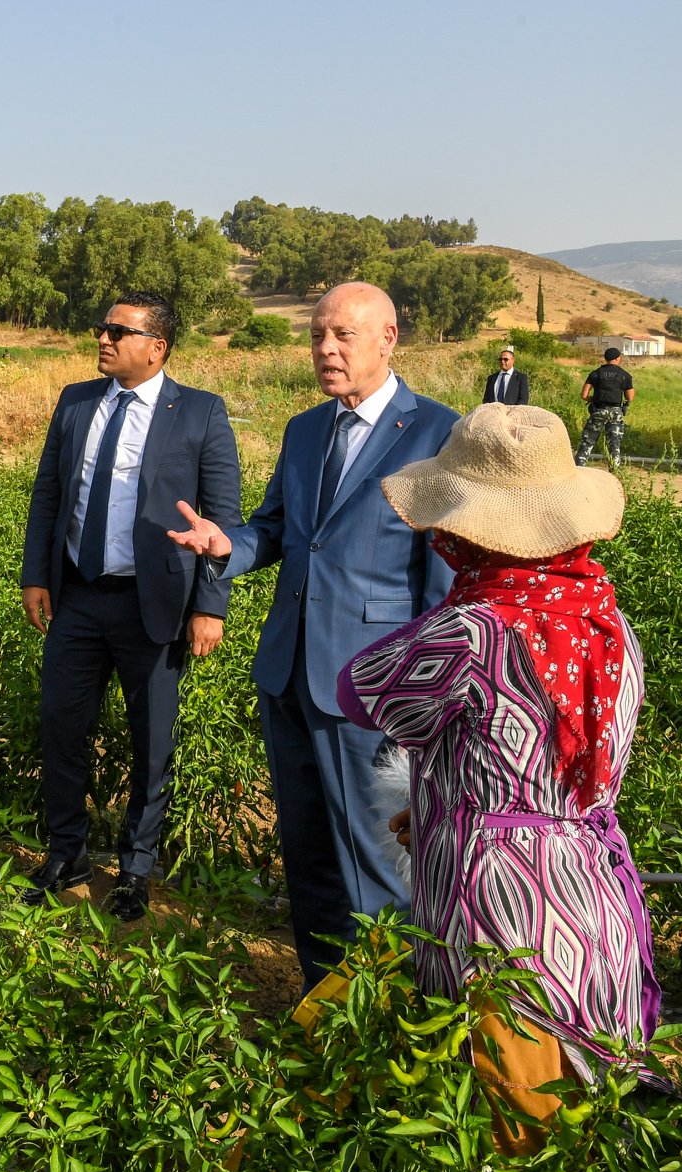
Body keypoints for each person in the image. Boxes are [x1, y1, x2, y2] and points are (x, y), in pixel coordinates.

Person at [339, 403, 662, 1153]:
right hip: (592, 899)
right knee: (584, 1122)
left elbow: (359, 690)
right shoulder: (608, 623)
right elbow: (540, 759)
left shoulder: (473, 630)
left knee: (493, 1121)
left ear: (467, 532)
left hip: (495, 909)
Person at [169, 282, 458, 988]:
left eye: (344, 336)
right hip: (292, 673)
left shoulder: (437, 433)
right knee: (308, 856)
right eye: (318, 336)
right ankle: (324, 1002)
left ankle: (388, 1020)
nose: (326, 350)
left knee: (377, 859)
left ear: (388, 339)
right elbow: (274, 527)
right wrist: (225, 544)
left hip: (373, 688)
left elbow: (442, 580)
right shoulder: (306, 430)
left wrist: (422, 698)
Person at [19, 291, 242, 917]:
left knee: (152, 742)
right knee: (62, 728)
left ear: (157, 347)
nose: (104, 339)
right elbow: (49, 494)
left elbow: (223, 518)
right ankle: (67, 851)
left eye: (120, 331)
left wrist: (211, 604)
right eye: (103, 327)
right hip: (79, 599)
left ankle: (136, 867)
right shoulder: (75, 402)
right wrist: (37, 574)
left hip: (156, 607)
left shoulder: (199, 413)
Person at [576, 346, 635, 469]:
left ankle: (579, 468)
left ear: (606, 359)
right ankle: (615, 472)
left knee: (587, 442)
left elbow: (584, 395)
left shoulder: (595, 373)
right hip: (616, 412)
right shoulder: (625, 375)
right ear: (617, 359)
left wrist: (591, 399)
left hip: (598, 410)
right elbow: (630, 397)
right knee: (614, 445)